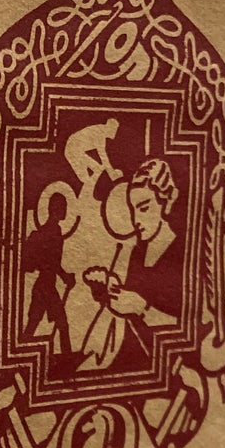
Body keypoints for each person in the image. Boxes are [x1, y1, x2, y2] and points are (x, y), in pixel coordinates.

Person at [82, 158, 186, 371]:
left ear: (165, 201)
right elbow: (124, 307)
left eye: (144, 208)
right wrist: (107, 289)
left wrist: (142, 309)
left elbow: (192, 329)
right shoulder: (137, 253)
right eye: (132, 209)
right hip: (130, 360)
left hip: (168, 368)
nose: (135, 219)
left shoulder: (182, 252)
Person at [22, 190, 75, 357]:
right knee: (60, 324)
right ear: (56, 208)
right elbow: (51, 262)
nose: (66, 210)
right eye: (64, 207)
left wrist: (64, 276)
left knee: (37, 324)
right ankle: (68, 359)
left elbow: (52, 262)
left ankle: (66, 358)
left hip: (45, 285)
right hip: (45, 287)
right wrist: (65, 277)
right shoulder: (53, 231)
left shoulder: (52, 230)